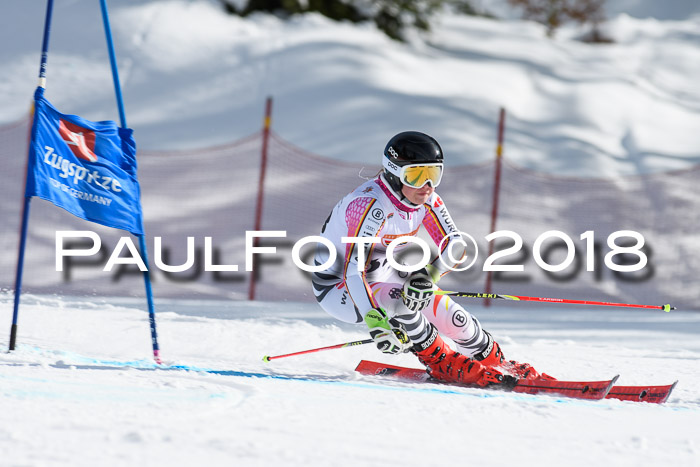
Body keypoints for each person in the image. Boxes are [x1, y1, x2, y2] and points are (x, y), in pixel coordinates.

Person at [312, 131, 547, 386]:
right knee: (405, 304)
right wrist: (376, 321)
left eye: (434, 175)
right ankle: (442, 363)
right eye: (416, 176)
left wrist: (428, 276)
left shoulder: (427, 200)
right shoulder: (370, 206)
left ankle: (496, 363)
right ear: (394, 172)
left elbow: (454, 245)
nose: (427, 186)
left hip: (382, 273)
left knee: (455, 317)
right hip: (340, 288)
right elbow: (353, 271)